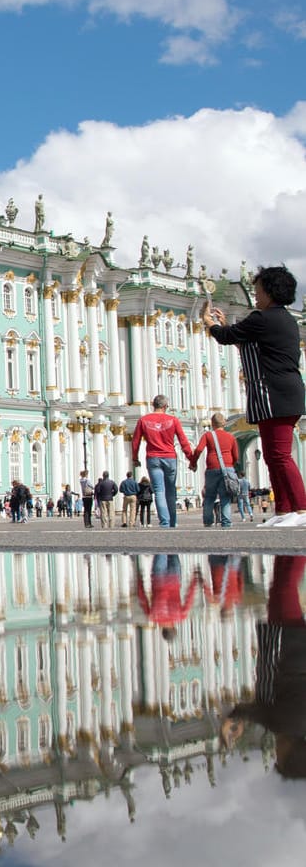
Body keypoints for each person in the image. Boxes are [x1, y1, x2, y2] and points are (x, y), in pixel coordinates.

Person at [206, 265, 306, 527]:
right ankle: (284, 509)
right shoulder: (282, 320)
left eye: (258, 289)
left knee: (281, 455)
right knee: (273, 456)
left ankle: (302, 508)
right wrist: (226, 326)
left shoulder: (263, 318)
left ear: (270, 291)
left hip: (275, 393)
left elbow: (228, 337)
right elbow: (247, 342)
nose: (256, 294)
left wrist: (213, 326)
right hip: (276, 394)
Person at [221, 554, 306, 780]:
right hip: (287, 646)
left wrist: (242, 721)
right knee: (285, 587)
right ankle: (298, 544)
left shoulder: (297, 726)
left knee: (279, 588)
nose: (276, 753)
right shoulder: (286, 724)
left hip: (294, 645)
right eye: (280, 757)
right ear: (291, 753)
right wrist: (233, 720)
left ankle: (289, 547)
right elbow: (256, 712)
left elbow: (258, 713)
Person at [130, 395, 195, 528]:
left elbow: (135, 441)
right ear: (165, 406)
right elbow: (183, 441)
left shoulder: (143, 420)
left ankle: (164, 522)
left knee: (159, 491)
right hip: (170, 457)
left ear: (153, 405)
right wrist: (191, 459)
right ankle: (172, 521)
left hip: (153, 458)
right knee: (170, 490)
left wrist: (135, 458)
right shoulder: (173, 420)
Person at [192, 413, 240, 529]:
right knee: (225, 497)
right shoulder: (231, 437)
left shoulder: (208, 435)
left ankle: (208, 522)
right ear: (224, 423)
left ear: (212, 424)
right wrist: (229, 465)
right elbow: (236, 457)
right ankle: (226, 522)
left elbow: (198, 449)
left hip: (212, 469)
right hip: (227, 469)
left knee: (209, 497)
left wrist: (193, 463)